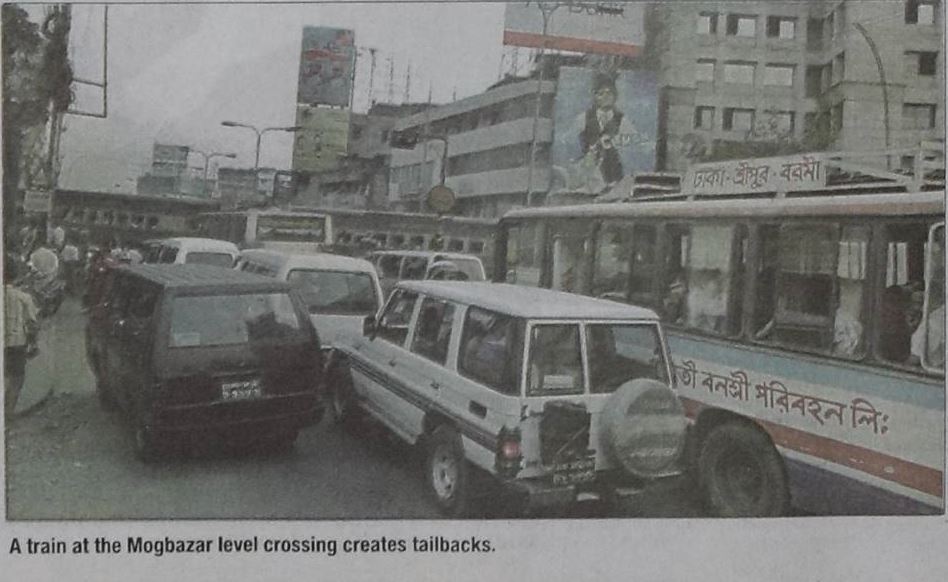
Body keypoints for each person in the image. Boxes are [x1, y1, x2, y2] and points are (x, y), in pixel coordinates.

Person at [578, 74, 635, 190]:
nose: (605, 97)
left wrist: (616, 143)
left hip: (613, 174)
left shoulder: (622, 120)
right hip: (589, 173)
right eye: (601, 94)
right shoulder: (584, 118)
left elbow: (633, 143)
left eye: (609, 93)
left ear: (614, 96)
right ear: (595, 97)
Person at [4, 259, 40, 419]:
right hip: (16, 342)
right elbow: (32, 324)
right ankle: (8, 412)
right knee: (16, 377)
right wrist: (34, 344)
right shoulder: (23, 297)